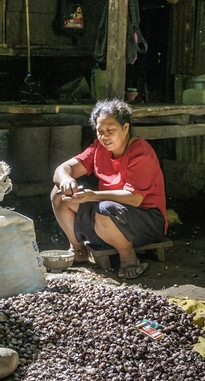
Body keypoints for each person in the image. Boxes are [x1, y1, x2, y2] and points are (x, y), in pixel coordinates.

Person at [51, 98, 167, 279]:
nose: (104, 137)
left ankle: (128, 257)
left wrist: (92, 196)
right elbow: (62, 170)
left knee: (105, 208)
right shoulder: (98, 148)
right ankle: (77, 250)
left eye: (110, 131)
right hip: (105, 217)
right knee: (59, 194)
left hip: (145, 222)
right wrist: (66, 179)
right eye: (100, 131)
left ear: (126, 128)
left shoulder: (140, 151)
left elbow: (134, 198)